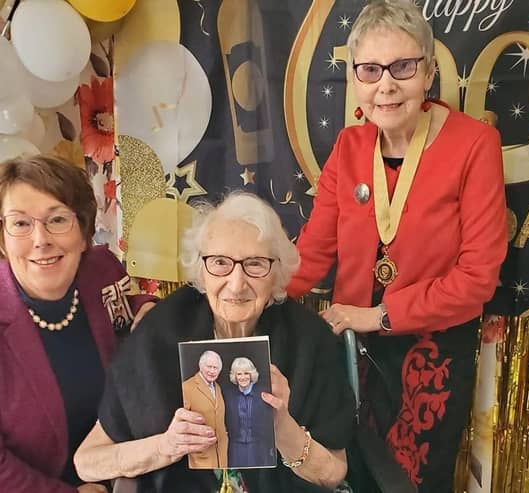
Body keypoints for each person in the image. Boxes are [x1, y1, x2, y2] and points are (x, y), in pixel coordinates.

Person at [286, 1, 508, 491]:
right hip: (350, 350)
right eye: (369, 69)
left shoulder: (474, 145)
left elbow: (477, 279)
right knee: (349, 476)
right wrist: (245, 287)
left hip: (431, 354)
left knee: (409, 485)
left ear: (428, 71)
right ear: (355, 79)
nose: (385, 84)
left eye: (402, 66)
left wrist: (378, 315)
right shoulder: (348, 146)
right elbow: (310, 255)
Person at [74, 192, 355, 493]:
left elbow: (334, 472)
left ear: (276, 273)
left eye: (256, 264)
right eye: (220, 262)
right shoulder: (158, 335)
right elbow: (87, 461)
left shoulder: (311, 342)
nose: (236, 284)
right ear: (200, 270)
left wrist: (283, 429)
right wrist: (167, 446)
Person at [0, 155, 156, 493]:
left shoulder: (101, 269)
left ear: (84, 231)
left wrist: (148, 310)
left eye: (57, 220)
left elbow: (127, 308)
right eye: (21, 223)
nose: (40, 240)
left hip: (126, 471)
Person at [224, 357, 275, 468]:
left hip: (259, 446)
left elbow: (271, 422)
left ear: (252, 375)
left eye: (246, 373)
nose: (243, 377)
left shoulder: (264, 393)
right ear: (235, 376)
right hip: (235, 447)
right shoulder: (227, 395)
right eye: (239, 374)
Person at [182, 350, 228, 468]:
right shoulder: (187, 387)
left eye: (216, 368)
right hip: (200, 459)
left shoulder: (217, 387)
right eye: (209, 367)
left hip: (221, 456)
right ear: (201, 366)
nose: (212, 371)